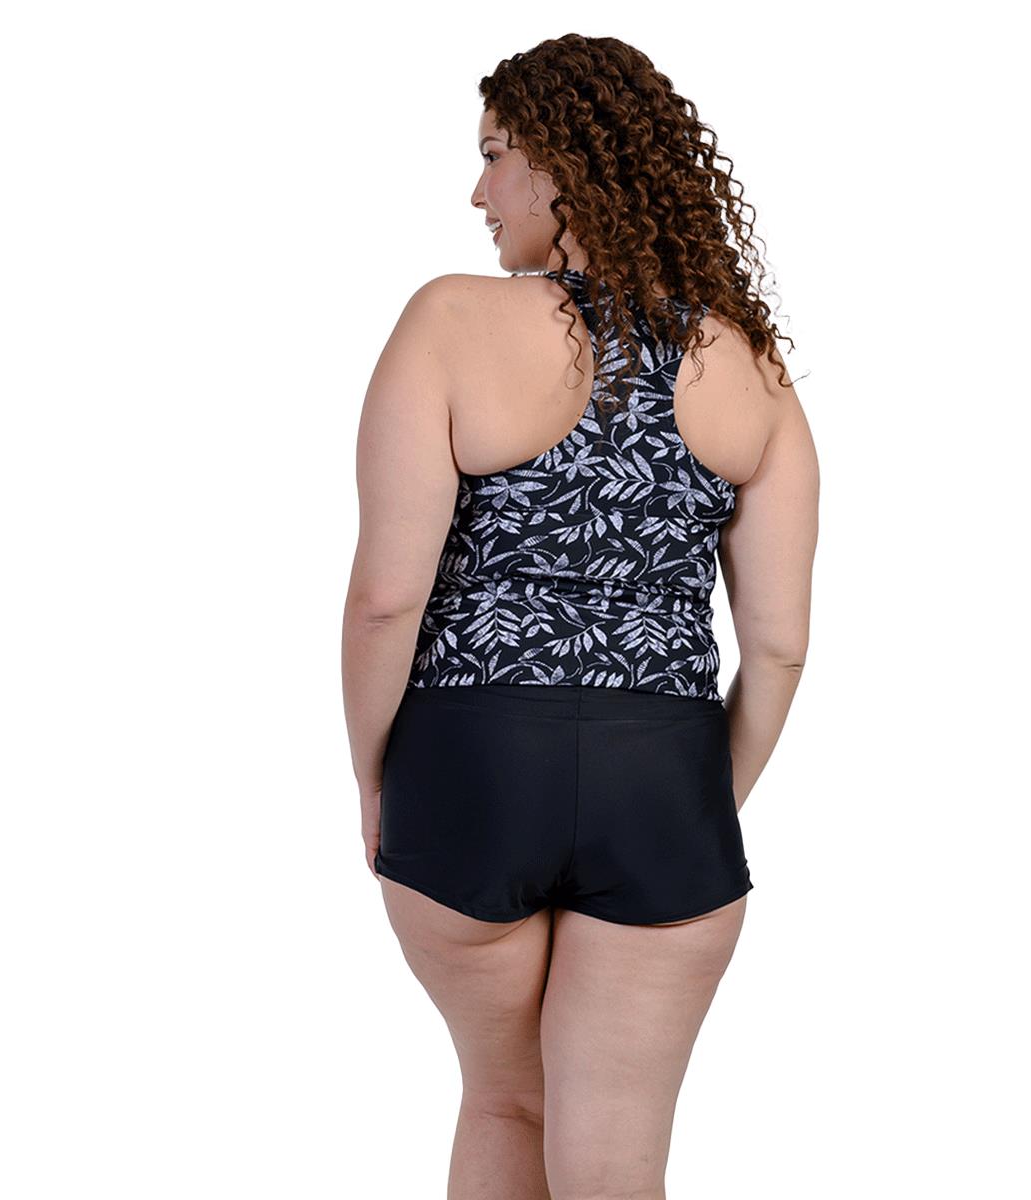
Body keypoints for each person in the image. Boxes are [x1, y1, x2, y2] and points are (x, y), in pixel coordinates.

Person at [342, 33, 819, 1199]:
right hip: (663, 775)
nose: (479, 192)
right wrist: (701, 799)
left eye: (494, 155)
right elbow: (778, 645)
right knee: (615, 1160)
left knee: (506, 1099)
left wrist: (373, 778)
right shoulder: (747, 364)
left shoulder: (449, 321)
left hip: (469, 764)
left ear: (560, 163)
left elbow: (387, 597)